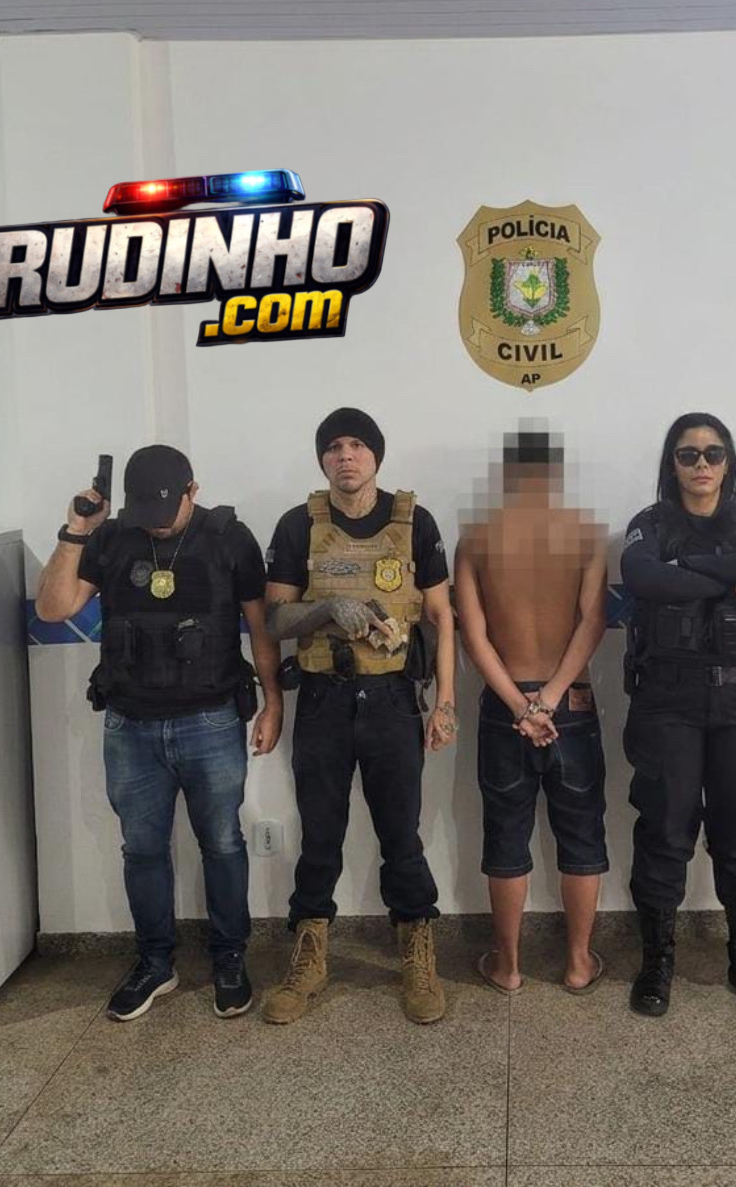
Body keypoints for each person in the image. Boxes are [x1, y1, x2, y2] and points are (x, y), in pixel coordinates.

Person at [35, 444, 282, 1022]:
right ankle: (154, 963)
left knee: (223, 843)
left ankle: (229, 958)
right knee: (142, 850)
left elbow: (260, 628)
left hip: (210, 720)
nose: (156, 522)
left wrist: (273, 702)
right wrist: (76, 531)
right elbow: (53, 608)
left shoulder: (229, 538)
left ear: (193, 490)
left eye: (167, 509)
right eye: (145, 510)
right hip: (130, 724)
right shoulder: (111, 537)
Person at [261, 408, 457, 1026]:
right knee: (320, 834)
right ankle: (309, 957)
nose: (345, 456)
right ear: (322, 459)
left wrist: (445, 703)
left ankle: (417, 951)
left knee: (402, 835)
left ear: (375, 455)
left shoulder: (415, 522)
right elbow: (275, 619)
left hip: (393, 700)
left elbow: (440, 617)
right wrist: (327, 609)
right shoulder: (298, 525)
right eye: (334, 447)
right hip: (324, 700)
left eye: (357, 445)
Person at [620, 413, 736, 1020]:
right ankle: (656, 963)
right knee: (664, 831)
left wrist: (691, 572)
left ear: (728, 462)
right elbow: (643, 577)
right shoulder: (649, 525)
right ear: (672, 464)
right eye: (688, 454)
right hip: (667, 702)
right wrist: (729, 575)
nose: (701, 464)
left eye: (713, 454)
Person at [455, 427, 608, 995]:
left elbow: (474, 638)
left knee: (506, 836)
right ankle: (578, 963)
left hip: (506, 708)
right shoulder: (586, 535)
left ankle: (508, 966)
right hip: (572, 702)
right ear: (556, 475)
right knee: (582, 835)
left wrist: (522, 706)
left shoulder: (476, 539)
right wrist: (550, 698)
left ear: (506, 476)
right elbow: (592, 623)